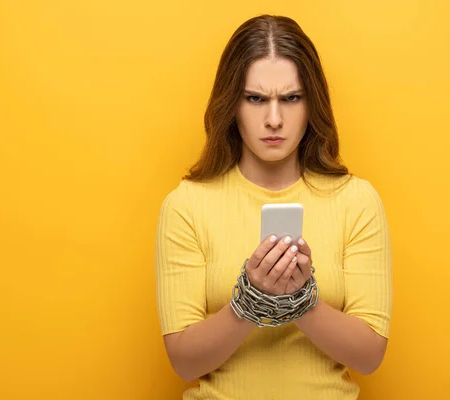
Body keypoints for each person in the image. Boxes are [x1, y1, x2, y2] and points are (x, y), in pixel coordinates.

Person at [154, 14, 392, 400]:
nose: (274, 119)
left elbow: (368, 356)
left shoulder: (357, 201)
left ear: (313, 104)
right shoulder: (186, 205)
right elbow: (184, 361)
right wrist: (250, 300)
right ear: (231, 105)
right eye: (256, 99)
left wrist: (301, 300)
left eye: (291, 98)